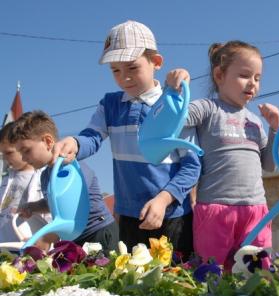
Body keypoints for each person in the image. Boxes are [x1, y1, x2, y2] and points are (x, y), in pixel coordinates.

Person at [51, 20, 200, 259]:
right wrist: (75, 144)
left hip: (172, 215)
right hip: (130, 216)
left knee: (175, 284)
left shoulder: (176, 108)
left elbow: (192, 166)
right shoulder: (109, 105)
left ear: (156, 63)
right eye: (115, 71)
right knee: (132, 286)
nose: (124, 78)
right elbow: (92, 138)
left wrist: (163, 200)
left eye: (132, 68)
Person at [185, 40, 279, 270]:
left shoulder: (256, 122)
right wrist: (176, 89)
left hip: (255, 209)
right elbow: (176, 119)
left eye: (257, 78)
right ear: (219, 75)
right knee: (212, 274)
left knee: (257, 274)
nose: (253, 84)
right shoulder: (207, 108)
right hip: (215, 208)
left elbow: (270, 165)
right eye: (245, 75)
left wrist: (275, 128)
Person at [10, 111, 118, 254]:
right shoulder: (46, 176)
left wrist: (49, 236)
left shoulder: (73, 167)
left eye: (26, 150)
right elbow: (54, 204)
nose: (23, 158)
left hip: (98, 233)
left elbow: (72, 208)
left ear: (48, 142)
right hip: (76, 237)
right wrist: (33, 207)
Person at [0, 122, 49, 246]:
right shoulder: (5, 179)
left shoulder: (43, 177)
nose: (4, 158)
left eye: (9, 153)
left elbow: (53, 212)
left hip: (31, 245)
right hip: (4, 245)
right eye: (2, 154)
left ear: (22, 148)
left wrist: (45, 240)